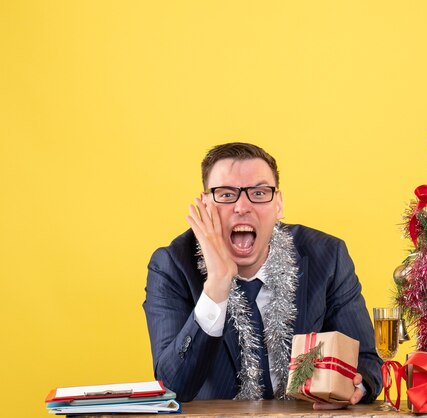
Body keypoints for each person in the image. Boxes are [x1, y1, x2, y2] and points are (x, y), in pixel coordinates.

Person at [143, 142, 382, 408]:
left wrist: (351, 389)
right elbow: (174, 387)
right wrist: (216, 285)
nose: (242, 207)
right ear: (206, 205)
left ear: (278, 205)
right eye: (225, 194)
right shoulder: (171, 266)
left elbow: (367, 363)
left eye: (258, 193)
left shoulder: (327, 257)